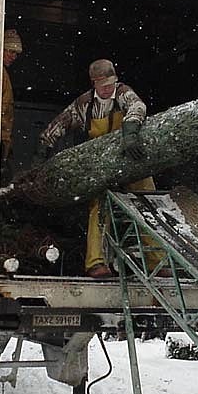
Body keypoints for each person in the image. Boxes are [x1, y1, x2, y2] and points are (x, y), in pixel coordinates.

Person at [36, 59, 161, 278]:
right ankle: (96, 264)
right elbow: (60, 123)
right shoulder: (85, 104)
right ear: (94, 83)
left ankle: (157, 261)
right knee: (99, 208)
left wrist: (130, 133)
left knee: (147, 204)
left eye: (110, 84)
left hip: (130, 159)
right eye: (103, 86)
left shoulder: (123, 93)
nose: (108, 89)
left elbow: (137, 106)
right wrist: (43, 149)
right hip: (102, 165)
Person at [0, 29, 23, 185]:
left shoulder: (3, 75)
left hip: (3, 139)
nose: (14, 56)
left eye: (16, 53)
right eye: (11, 51)